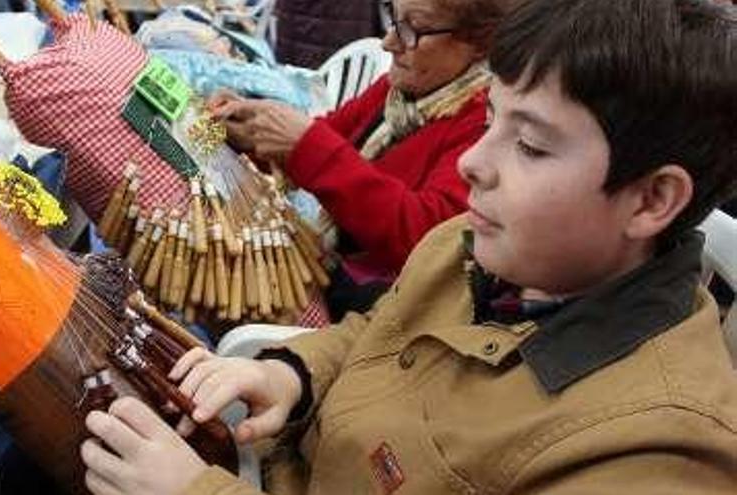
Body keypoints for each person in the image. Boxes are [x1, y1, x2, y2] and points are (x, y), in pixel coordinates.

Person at [79, 0, 737, 493]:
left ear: (652, 201)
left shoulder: (649, 454)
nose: (475, 161)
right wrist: (291, 374)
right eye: (488, 121)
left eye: (531, 145)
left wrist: (194, 489)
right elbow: (379, 328)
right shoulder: (476, 246)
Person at [211, 0, 510, 320]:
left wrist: (307, 146)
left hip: (385, 313)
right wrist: (253, 130)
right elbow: (330, 133)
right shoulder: (402, 89)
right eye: (393, 18)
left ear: (480, 42)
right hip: (335, 271)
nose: (389, 42)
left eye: (413, 28)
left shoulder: (486, 123)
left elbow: (426, 237)